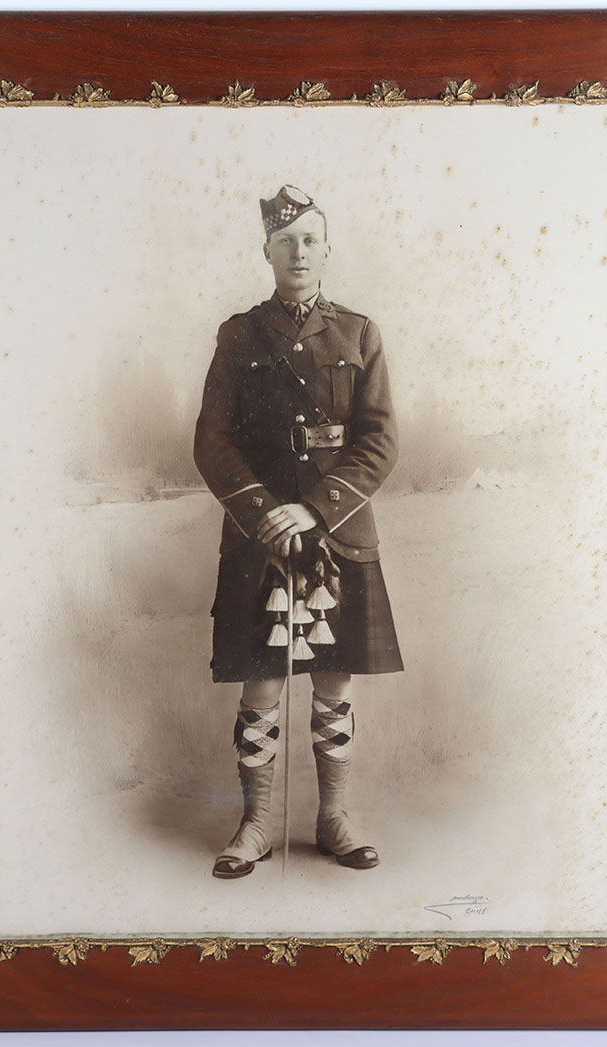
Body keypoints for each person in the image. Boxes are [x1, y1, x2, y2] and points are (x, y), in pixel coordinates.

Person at [193, 185, 403, 879]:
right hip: (262, 536)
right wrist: (263, 512)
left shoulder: (360, 333)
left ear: (327, 248)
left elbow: (378, 442)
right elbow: (212, 442)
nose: (299, 251)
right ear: (266, 252)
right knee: (261, 686)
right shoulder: (238, 335)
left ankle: (334, 816)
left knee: (334, 684)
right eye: (285, 241)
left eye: (310, 238)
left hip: (337, 532)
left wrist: (314, 508)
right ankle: (255, 823)